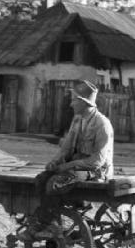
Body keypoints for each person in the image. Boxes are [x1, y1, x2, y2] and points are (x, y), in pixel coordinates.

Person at [24, 79, 114, 237]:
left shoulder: (102, 124)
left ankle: (48, 225)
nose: (71, 104)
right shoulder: (78, 120)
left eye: (74, 100)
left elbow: (97, 161)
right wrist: (55, 161)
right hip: (78, 168)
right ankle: (50, 222)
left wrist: (68, 166)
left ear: (83, 103)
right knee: (41, 179)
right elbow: (66, 147)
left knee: (55, 183)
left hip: (97, 172)